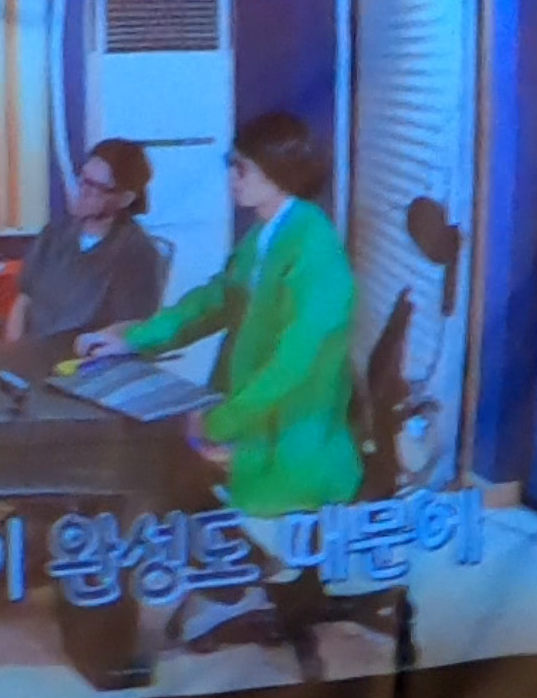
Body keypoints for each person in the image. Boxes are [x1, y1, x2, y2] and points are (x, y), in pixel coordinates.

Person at [81, 111, 359, 647]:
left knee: (172, 464)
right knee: (161, 455)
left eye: (241, 167)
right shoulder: (267, 235)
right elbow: (213, 301)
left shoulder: (316, 250)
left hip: (291, 434)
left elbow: (292, 368)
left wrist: (220, 423)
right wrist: (134, 338)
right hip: (259, 414)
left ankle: (240, 584)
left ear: (278, 172)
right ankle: (235, 578)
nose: (231, 177)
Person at [5, 138, 168, 344]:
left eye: (97, 187)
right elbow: (23, 301)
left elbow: (131, 324)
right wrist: (14, 349)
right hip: (29, 350)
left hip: (79, 356)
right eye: (83, 179)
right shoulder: (55, 234)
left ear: (125, 198)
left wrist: (86, 348)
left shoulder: (137, 253)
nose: (84, 191)